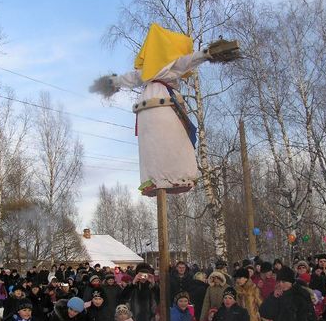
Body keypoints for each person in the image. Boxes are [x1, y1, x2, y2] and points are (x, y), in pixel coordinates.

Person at [90, 23, 239, 197]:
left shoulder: (146, 73)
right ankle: (177, 176)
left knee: (153, 147)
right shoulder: (170, 66)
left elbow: (128, 79)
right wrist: (209, 53)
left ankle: (153, 179)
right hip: (165, 106)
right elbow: (189, 60)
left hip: (147, 108)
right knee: (174, 142)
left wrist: (111, 82)